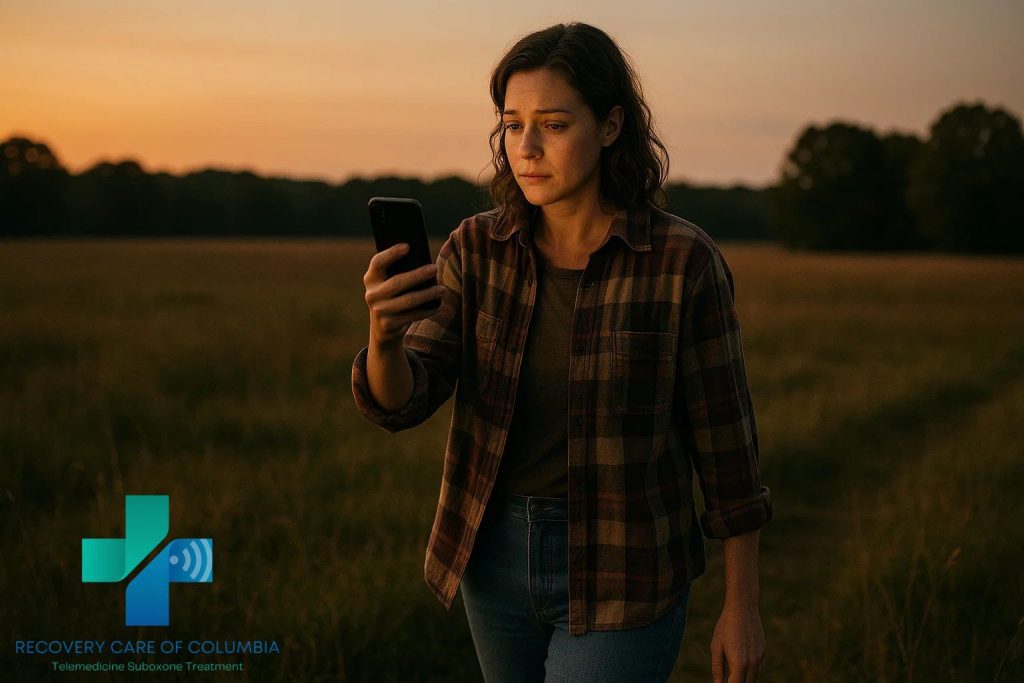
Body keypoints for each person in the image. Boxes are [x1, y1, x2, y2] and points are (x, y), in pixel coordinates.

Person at [352, 21, 772, 683]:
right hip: (492, 559)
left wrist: (741, 606)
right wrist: (382, 338)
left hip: (625, 562)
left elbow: (729, 455)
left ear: (610, 126)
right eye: (512, 124)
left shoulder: (683, 262)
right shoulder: (474, 250)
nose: (527, 147)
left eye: (552, 123)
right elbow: (404, 400)